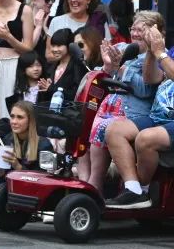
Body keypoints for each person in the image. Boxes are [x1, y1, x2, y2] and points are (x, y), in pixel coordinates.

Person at [102, 24, 174, 209]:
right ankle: (134, 191)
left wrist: (160, 53)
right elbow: (151, 79)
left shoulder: (166, 54)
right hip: (159, 116)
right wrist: (151, 51)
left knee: (145, 139)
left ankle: (143, 188)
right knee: (114, 129)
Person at [0, 101, 53, 185]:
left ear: (31, 120)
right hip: (9, 190)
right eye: (12, 116)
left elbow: (42, 182)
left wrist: (17, 166)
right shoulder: (7, 139)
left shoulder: (44, 145)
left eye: (20, 117)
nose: (14, 121)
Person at [37, 29, 87, 106]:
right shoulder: (50, 67)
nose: (55, 49)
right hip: (49, 113)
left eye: (59, 46)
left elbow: (77, 94)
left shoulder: (78, 66)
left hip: (68, 114)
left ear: (69, 45)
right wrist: (43, 89)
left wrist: (51, 88)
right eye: (53, 46)